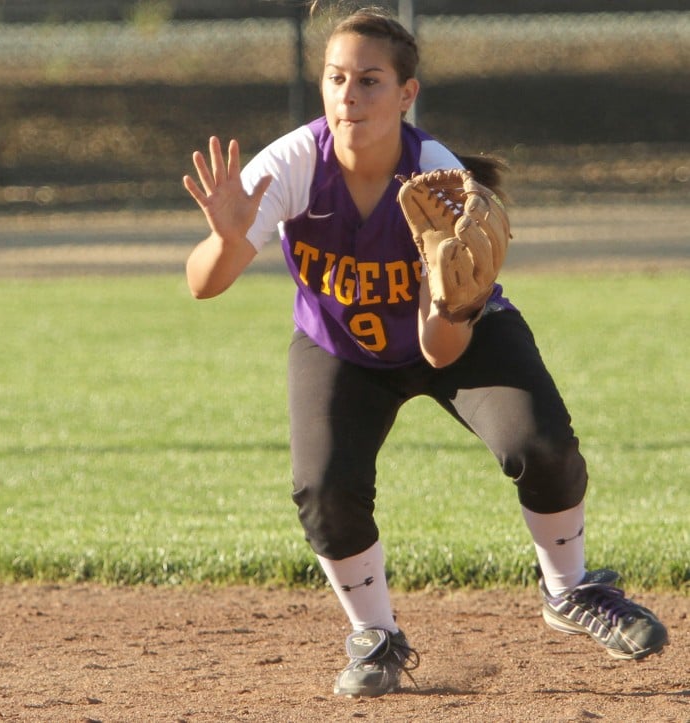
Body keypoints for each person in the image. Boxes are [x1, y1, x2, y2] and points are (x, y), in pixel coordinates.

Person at [182, 3, 669, 699]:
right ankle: (375, 637)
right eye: (336, 78)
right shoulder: (293, 161)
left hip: (456, 330)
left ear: (407, 94)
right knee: (324, 489)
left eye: (371, 80)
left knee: (541, 442)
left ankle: (571, 590)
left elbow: (439, 352)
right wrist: (228, 239)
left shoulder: (437, 179)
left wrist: (449, 298)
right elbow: (205, 285)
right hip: (340, 342)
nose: (350, 96)